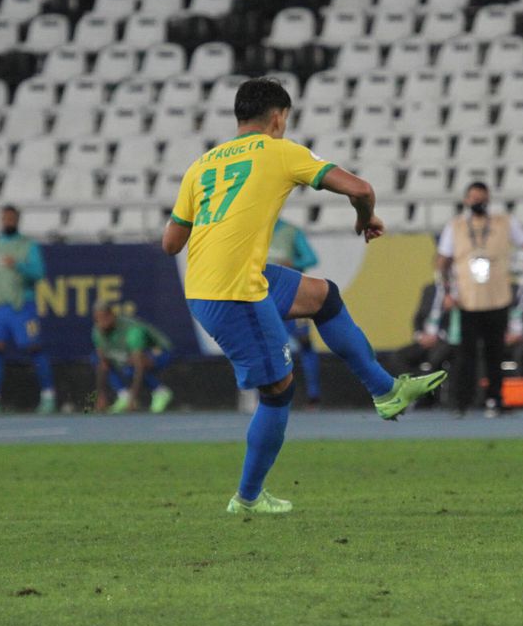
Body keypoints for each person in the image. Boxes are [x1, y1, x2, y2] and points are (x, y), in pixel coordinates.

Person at [162, 78, 447, 515]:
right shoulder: (280, 150)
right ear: (278, 117)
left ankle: (385, 390)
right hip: (234, 292)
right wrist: (365, 219)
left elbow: (171, 243)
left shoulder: (201, 165)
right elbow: (361, 188)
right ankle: (249, 498)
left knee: (321, 295)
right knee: (278, 390)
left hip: (212, 281)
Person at [436, 181, 523, 416]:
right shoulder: (455, 226)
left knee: (494, 353)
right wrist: (447, 291)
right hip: (467, 300)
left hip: (497, 298)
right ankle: (461, 402)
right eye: (473, 197)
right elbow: (442, 261)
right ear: (466, 200)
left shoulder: (504, 222)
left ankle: (494, 400)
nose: (478, 202)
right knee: (464, 355)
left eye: (482, 197)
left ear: (488, 199)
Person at [0, 205, 56, 415]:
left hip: (22, 305)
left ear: (17, 220)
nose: (8, 221)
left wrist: (18, 265)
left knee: (33, 348)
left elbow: (39, 273)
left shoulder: (28, 245)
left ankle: (48, 396)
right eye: (4, 218)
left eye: (11, 218)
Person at [268, 217, 322, 407]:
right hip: (265, 298)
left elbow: (311, 258)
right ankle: (272, 394)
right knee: (270, 345)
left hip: (293, 297)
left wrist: (293, 262)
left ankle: (313, 395)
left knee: (304, 343)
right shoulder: (253, 228)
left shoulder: (290, 230)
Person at [91, 302, 175, 414]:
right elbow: (103, 365)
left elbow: (139, 365)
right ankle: (123, 395)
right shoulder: (97, 331)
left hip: (161, 352)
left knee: (131, 366)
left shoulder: (132, 331)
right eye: (97, 319)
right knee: (96, 358)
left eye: (104, 317)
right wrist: (101, 396)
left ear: (112, 315)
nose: (101, 322)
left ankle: (161, 391)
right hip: (128, 356)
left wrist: (133, 399)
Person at [391, 281, 454, 380]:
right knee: (397, 357)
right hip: (424, 340)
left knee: (436, 359)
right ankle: (410, 386)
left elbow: (456, 324)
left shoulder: (458, 294)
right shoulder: (430, 290)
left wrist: (438, 337)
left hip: (444, 341)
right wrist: (420, 336)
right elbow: (418, 318)